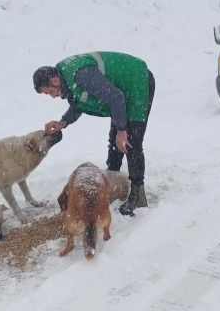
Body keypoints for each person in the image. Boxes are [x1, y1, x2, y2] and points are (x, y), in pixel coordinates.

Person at [33, 51, 155, 216]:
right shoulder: (68, 79)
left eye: (49, 92)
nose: (52, 96)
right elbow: (78, 103)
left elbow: (116, 97)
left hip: (137, 81)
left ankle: (138, 196)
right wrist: (63, 122)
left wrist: (121, 130)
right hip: (121, 91)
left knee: (130, 141)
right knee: (115, 141)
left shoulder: (81, 75)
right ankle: (114, 185)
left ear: (55, 81)